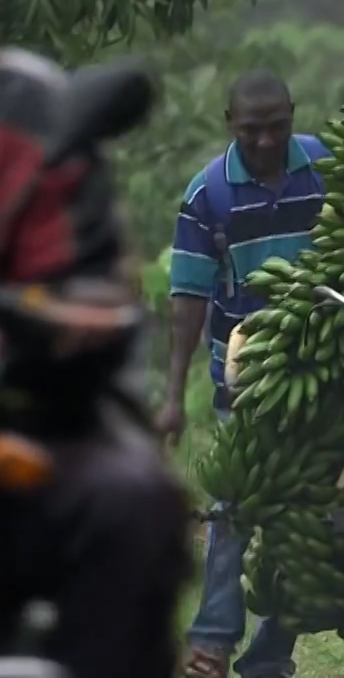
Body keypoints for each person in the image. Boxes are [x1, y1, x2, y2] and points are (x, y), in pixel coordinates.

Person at [0, 50, 191, 678]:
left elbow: (99, 300)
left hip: (42, 426)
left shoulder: (39, 123)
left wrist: (46, 318)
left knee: (134, 501)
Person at [159, 70, 329, 678]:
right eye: (252, 130)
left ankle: (272, 653)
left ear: (293, 116)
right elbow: (188, 298)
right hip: (245, 376)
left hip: (327, 368)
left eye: (277, 127)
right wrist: (173, 395)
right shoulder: (208, 194)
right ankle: (211, 641)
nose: (265, 141)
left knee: (303, 516)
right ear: (230, 123)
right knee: (234, 506)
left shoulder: (324, 168)